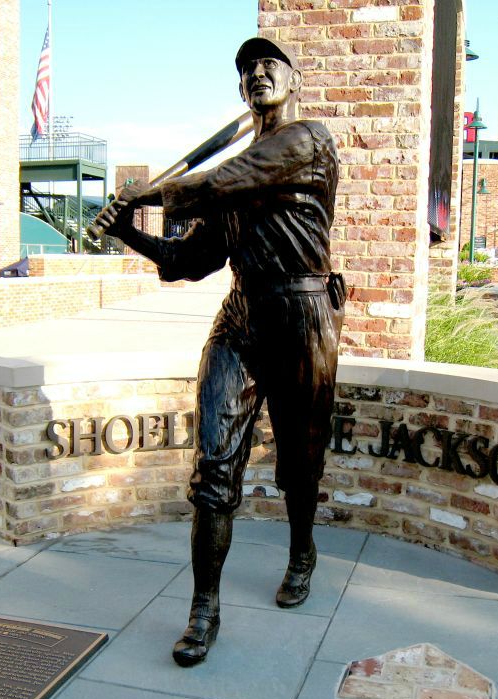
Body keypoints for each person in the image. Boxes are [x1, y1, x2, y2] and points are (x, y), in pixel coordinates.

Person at [93, 37, 343, 667]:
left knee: (300, 460)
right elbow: (186, 261)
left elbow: (219, 181)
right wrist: (128, 230)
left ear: (292, 78)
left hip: (302, 315)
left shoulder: (307, 142)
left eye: (270, 64)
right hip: (242, 319)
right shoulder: (233, 182)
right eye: (248, 69)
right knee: (213, 469)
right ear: (240, 88)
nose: (258, 74)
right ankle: (204, 609)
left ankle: (303, 551)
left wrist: (146, 193)